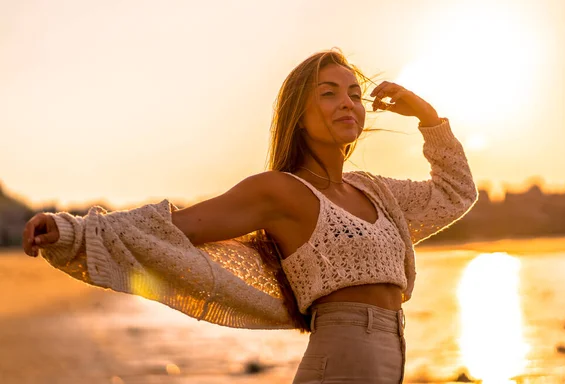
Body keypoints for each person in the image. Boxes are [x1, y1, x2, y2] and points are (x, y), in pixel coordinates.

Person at [22, 49, 478, 383]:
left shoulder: (374, 191)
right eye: (329, 93)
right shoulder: (280, 190)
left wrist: (428, 116)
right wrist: (72, 230)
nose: (347, 103)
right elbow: (174, 228)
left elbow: (455, 193)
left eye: (354, 94)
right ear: (298, 116)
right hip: (340, 360)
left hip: (391, 356)